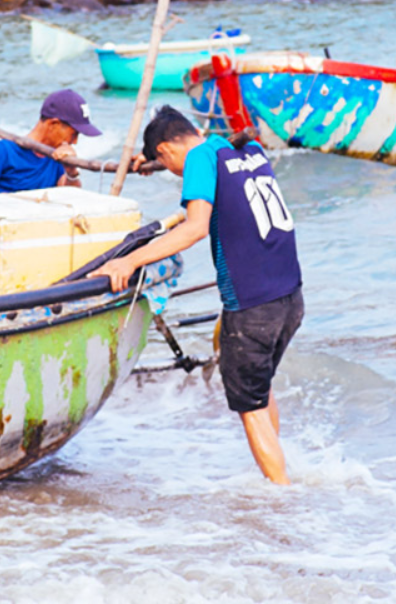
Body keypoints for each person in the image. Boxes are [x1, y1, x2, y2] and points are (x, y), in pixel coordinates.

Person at [91, 106, 303, 484]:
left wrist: (129, 262)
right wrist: (151, 157)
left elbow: (194, 229)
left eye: (164, 162)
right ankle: (278, 470)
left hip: (252, 305)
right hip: (289, 297)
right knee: (260, 386)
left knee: (249, 405)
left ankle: (282, 499)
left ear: (168, 149)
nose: (170, 170)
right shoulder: (245, 149)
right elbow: (210, 168)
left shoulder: (199, 160)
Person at [0, 90, 102, 195]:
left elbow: (71, 199)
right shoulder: (1, 153)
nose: (74, 142)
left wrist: (72, 172)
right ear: (53, 124)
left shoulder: (58, 160)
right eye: (73, 134)